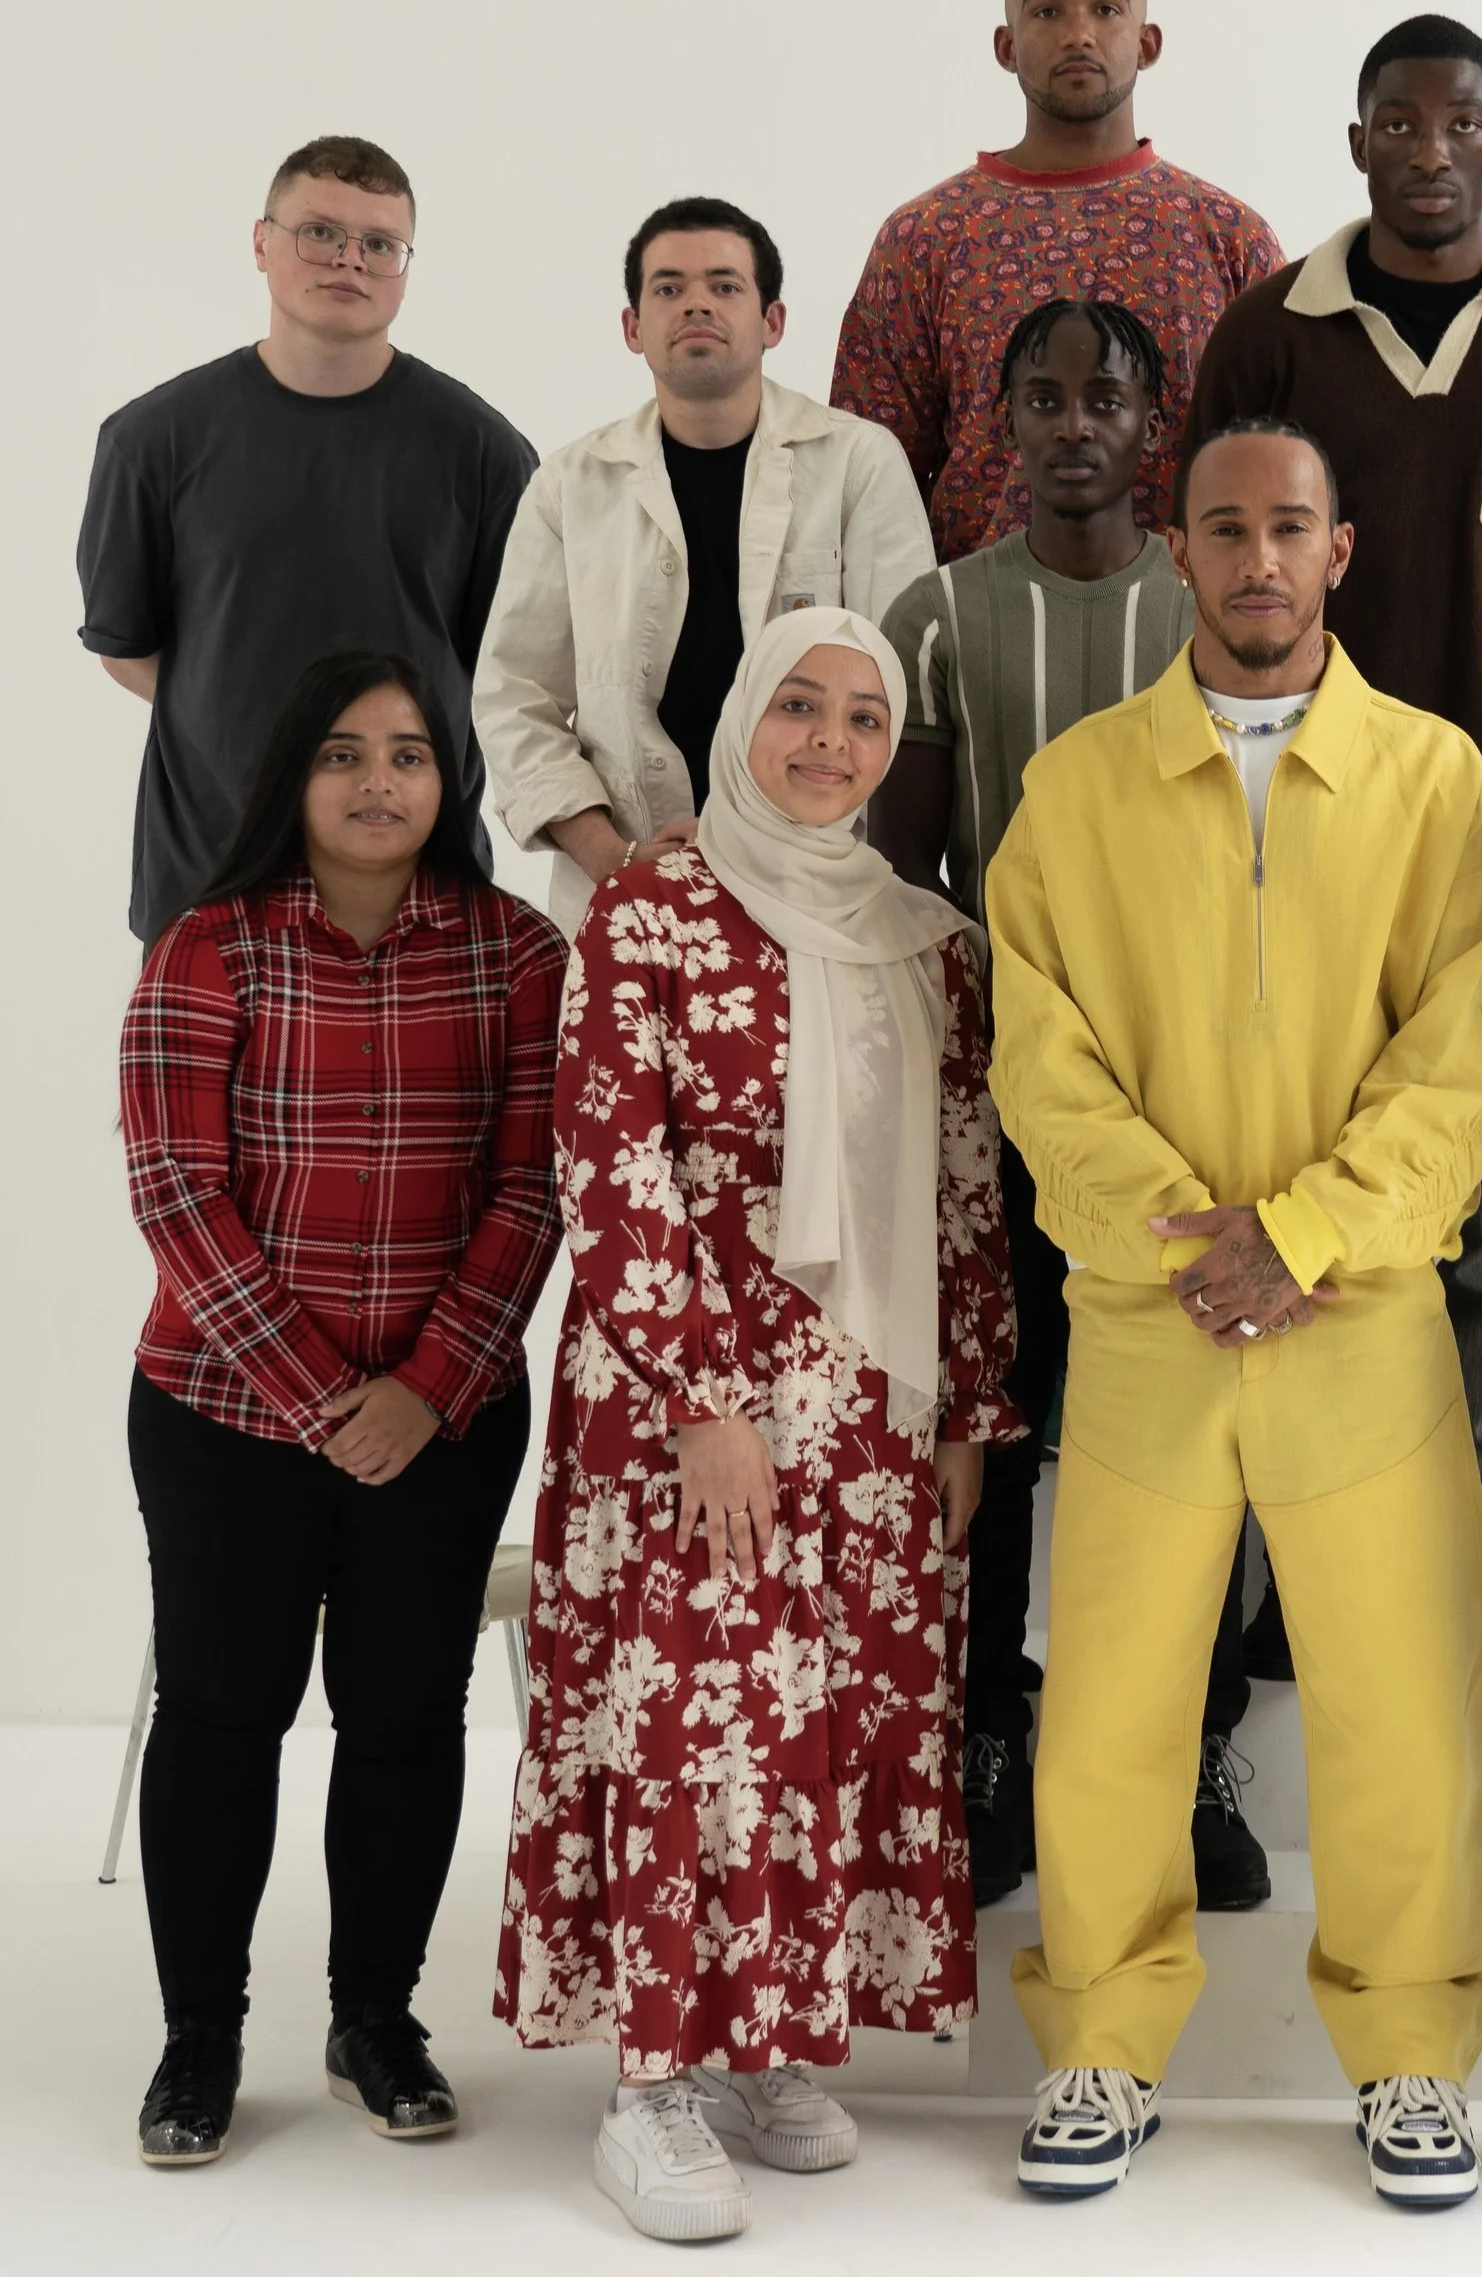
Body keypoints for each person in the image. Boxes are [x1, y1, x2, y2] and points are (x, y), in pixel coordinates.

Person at [988, 421, 1482, 2208]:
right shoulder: (1077, 788)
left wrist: (1302, 1235)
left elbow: (1465, 1068)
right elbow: (1039, 1058)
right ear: (1180, 553)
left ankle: (1409, 2053)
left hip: (1357, 1313)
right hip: (1149, 1319)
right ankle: (1101, 2049)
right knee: (1115, 1701)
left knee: (1403, 1702)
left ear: (1341, 552)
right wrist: (1183, 1244)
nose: (1259, 559)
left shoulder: (1432, 781)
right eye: (1225, 529)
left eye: (1290, 527)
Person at [495, 609, 1021, 2245]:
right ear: (739, 721)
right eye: (798, 706)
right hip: (685, 1397)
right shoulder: (650, 906)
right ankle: (654, 2084)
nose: (829, 741)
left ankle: (772, 2048)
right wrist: (699, 1399)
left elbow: (960, 1186)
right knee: (692, 1724)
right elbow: (612, 1163)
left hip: (868, 1410)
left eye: (864, 718)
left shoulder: (928, 939)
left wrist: (971, 1414)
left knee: (817, 1732)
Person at [1183, 13, 1482, 1676]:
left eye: (1464, 121)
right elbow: (1222, 568)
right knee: (1279, 1190)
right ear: (1360, 140)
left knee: (1459, 1206)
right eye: (1401, 121)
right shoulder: (1272, 332)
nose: (1433, 147)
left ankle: (1477, 1544)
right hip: (1280, 828)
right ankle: (1270, 1578)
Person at [117, 651, 568, 2169]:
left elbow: (534, 1187)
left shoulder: (518, 956)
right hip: (223, 1418)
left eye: (409, 754)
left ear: (451, 779)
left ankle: (375, 2018)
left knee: (402, 1721)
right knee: (222, 1718)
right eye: (342, 754)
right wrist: (326, 1402)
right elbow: (179, 1193)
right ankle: (201, 2041)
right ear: (289, 781)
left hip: (442, 1427)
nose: (379, 782)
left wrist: (425, 1392)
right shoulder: (208, 947)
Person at [869, 299, 1265, 1912]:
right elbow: (900, 877)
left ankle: (1195, 1749)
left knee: (1196, 1430)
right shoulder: (940, 615)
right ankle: (986, 1737)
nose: (1074, 423)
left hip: (1198, 1104)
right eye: (1042, 399)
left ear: (1152, 416)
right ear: (1004, 424)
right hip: (997, 1097)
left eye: (1106, 396)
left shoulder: (1211, 602)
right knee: (1004, 1422)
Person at [78, 135, 535, 943]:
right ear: (261, 242)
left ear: (403, 266)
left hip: (422, 902)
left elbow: (500, 669)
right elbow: (129, 649)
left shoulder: (484, 452)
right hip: (211, 886)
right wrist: (271, 728)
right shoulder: (152, 441)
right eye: (319, 232)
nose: (348, 260)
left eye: (379, 244)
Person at [475, 197, 933, 938]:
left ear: (772, 321)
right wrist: (613, 855)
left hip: (818, 890)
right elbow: (513, 698)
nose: (696, 304)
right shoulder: (571, 485)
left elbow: (902, 686)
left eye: (724, 286)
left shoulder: (857, 463)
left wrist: (795, 848)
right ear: (633, 327)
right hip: (622, 891)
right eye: (668, 288)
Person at [833, 0, 1281, 562]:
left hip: (1191, 639)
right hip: (978, 638)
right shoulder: (925, 239)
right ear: (1006, 45)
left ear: (1148, 42)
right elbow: (868, 482)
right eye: (1047, 10)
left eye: (1106, 7)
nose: (1078, 33)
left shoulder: (1229, 239)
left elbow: (1284, 468)